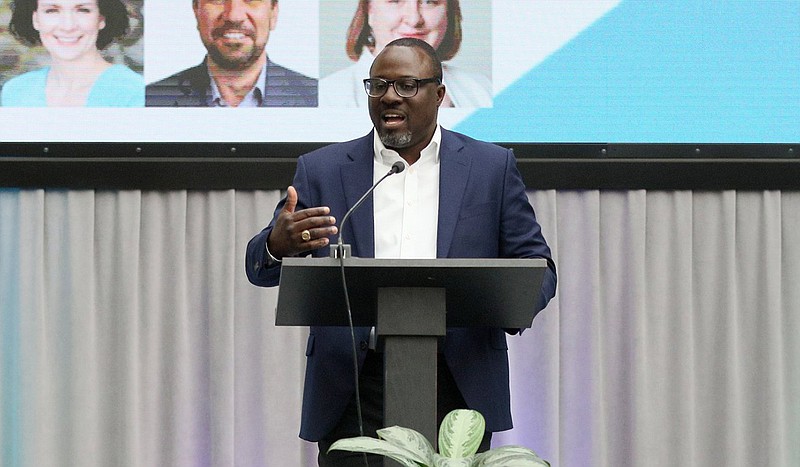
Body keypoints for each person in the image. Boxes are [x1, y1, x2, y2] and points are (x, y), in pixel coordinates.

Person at [245, 38, 556, 466]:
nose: (390, 97)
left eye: (407, 85)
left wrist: (506, 305)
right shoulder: (322, 170)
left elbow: (538, 267)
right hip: (354, 387)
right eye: (379, 85)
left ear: (440, 95)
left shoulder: (490, 169)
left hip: (456, 383)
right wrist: (277, 246)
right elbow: (259, 266)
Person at [319, 0, 491, 108]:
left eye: (429, 1)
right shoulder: (327, 96)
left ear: (449, 13)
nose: (414, 18)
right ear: (369, 11)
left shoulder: (483, 90)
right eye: (395, 1)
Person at [145, 0, 317, 107]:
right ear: (196, 11)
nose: (234, 16)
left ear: (274, 13)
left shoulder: (314, 97)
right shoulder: (152, 99)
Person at [2, 0, 144, 107]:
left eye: (83, 10)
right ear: (35, 20)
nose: (67, 26)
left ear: (101, 19)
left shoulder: (135, 92)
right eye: (52, 10)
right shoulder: (15, 91)